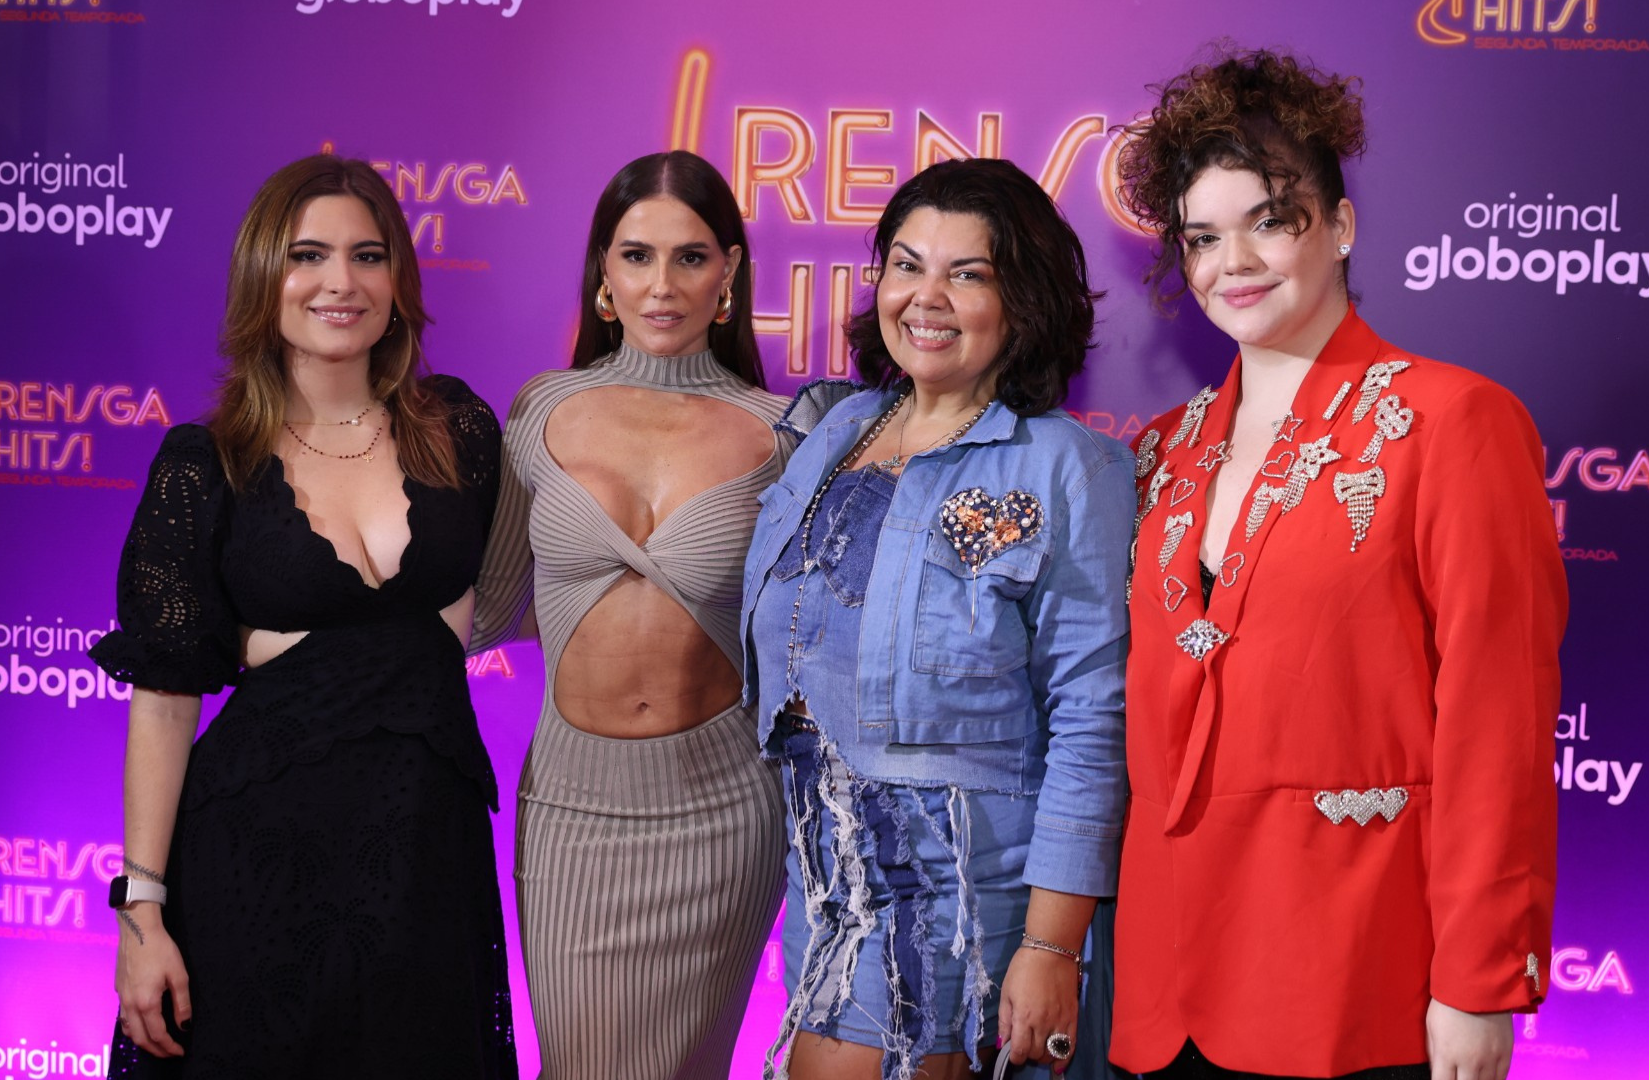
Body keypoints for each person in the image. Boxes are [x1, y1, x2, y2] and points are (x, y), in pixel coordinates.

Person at [1108, 49, 1567, 1080]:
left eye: (1270, 220)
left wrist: (1479, 980)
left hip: (1358, 975)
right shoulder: (1160, 449)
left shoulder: (1455, 422)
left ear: (1341, 227)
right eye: (1203, 238)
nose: (1236, 261)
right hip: (1169, 984)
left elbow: (1497, 714)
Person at [90, 154, 515, 1077]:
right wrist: (143, 913)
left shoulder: (462, 433)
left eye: (368, 256)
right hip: (253, 863)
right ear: (261, 278)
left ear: (398, 279)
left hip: (425, 865)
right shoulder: (207, 465)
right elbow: (163, 703)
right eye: (308, 255)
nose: (340, 282)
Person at [740, 157, 1132, 1080]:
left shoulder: (1068, 466)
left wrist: (1050, 949)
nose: (927, 297)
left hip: (957, 881)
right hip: (825, 868)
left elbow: (1090, 719)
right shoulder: (835, 432)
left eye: (969, 273)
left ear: (1023, 301)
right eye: (908, 265)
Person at [471, 150, 789, 1079]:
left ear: (728, 272)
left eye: (690, 258)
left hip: (726, 816)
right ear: (602, 275)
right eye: (636, 256)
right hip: (574, 812)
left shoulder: (786, 428)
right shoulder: (539, 408)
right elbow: (487, 606)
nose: (663, 285)